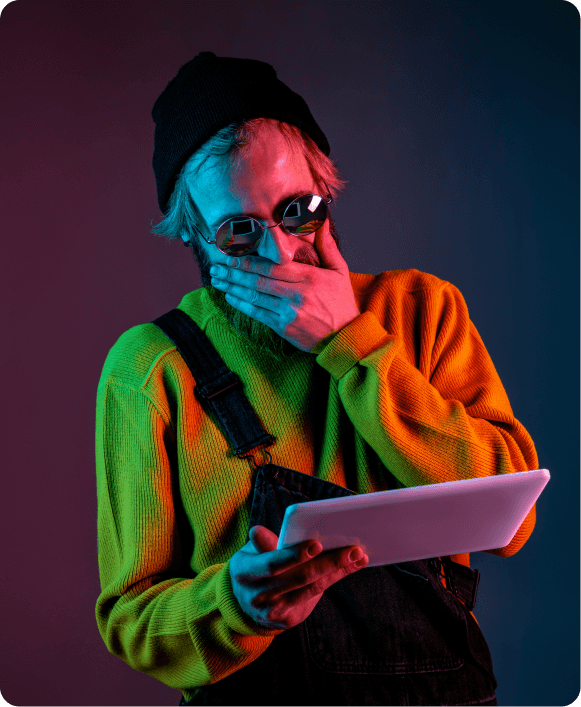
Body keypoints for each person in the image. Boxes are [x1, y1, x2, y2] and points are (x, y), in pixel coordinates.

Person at [95, 52, 538, 707]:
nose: (280, 252)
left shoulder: (421, 310)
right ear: (195, 235)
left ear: (324, 191)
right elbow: (131, 620)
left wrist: (349, 344)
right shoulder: (150, 367)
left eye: (296, 210)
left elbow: (512, 516)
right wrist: (234, 605)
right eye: (240, 232)